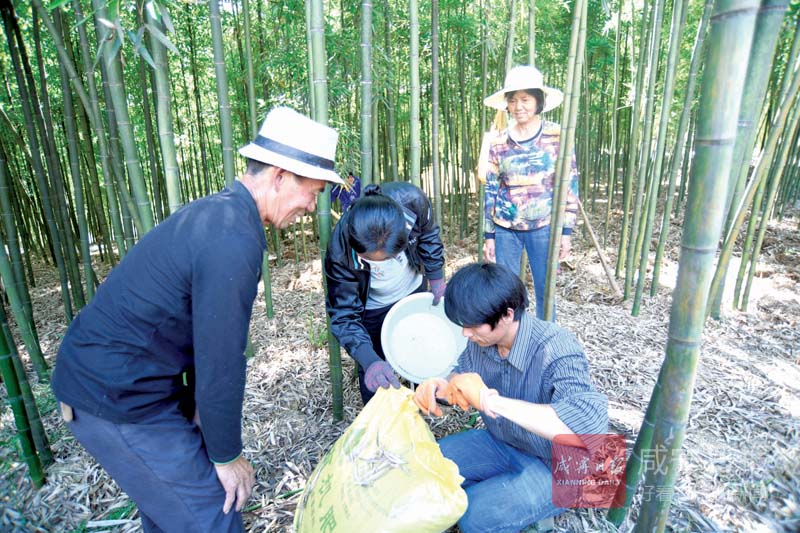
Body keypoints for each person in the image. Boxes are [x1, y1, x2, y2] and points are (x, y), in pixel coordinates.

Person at [51, 107, 342, 532]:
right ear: (279, 176)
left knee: (170, 511)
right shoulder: (233, 237)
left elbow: (188, 336)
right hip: (118, 394)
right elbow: (220, 358)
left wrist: (201, 422)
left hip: (132, 383)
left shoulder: (221, 214)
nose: (312, 205)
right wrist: (226, 455)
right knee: (213, 517)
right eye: (313, 191)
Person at [413, 262, 608, 533]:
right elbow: (461, 377)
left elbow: (587, 432)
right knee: (428, 466)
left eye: (472, 325)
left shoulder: (555, 347)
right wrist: (439, 387)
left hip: (558, 465)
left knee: (473, 517)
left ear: (506, 314)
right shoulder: (481, 343)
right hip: (504, 441)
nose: (465, 333)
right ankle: (507, 494)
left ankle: (533, 504)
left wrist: (490, 402)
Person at [325, 181, 445, 405]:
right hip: (371, 306)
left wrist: (436, 275)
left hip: (412, 289)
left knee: (419, 344)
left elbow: (428, 235)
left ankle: (427, 395)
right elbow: (343, 314)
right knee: (375, 367)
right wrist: (369, 360)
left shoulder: (412, 201)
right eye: (371, 260)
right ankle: (380, 417)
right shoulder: (339, 251)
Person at [482, 65, 580, 319]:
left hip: (544, 227)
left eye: (525, 99)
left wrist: (566, 232)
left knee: (546, 294)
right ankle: (514, 345)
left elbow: (569, 184)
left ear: (538, 101)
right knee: (507, 295)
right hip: (505, 229)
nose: (518, 106)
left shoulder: (557, 135)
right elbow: (491, 189)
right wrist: (488, 235)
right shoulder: (499, 142)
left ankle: (546, 345)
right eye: (513, 100)